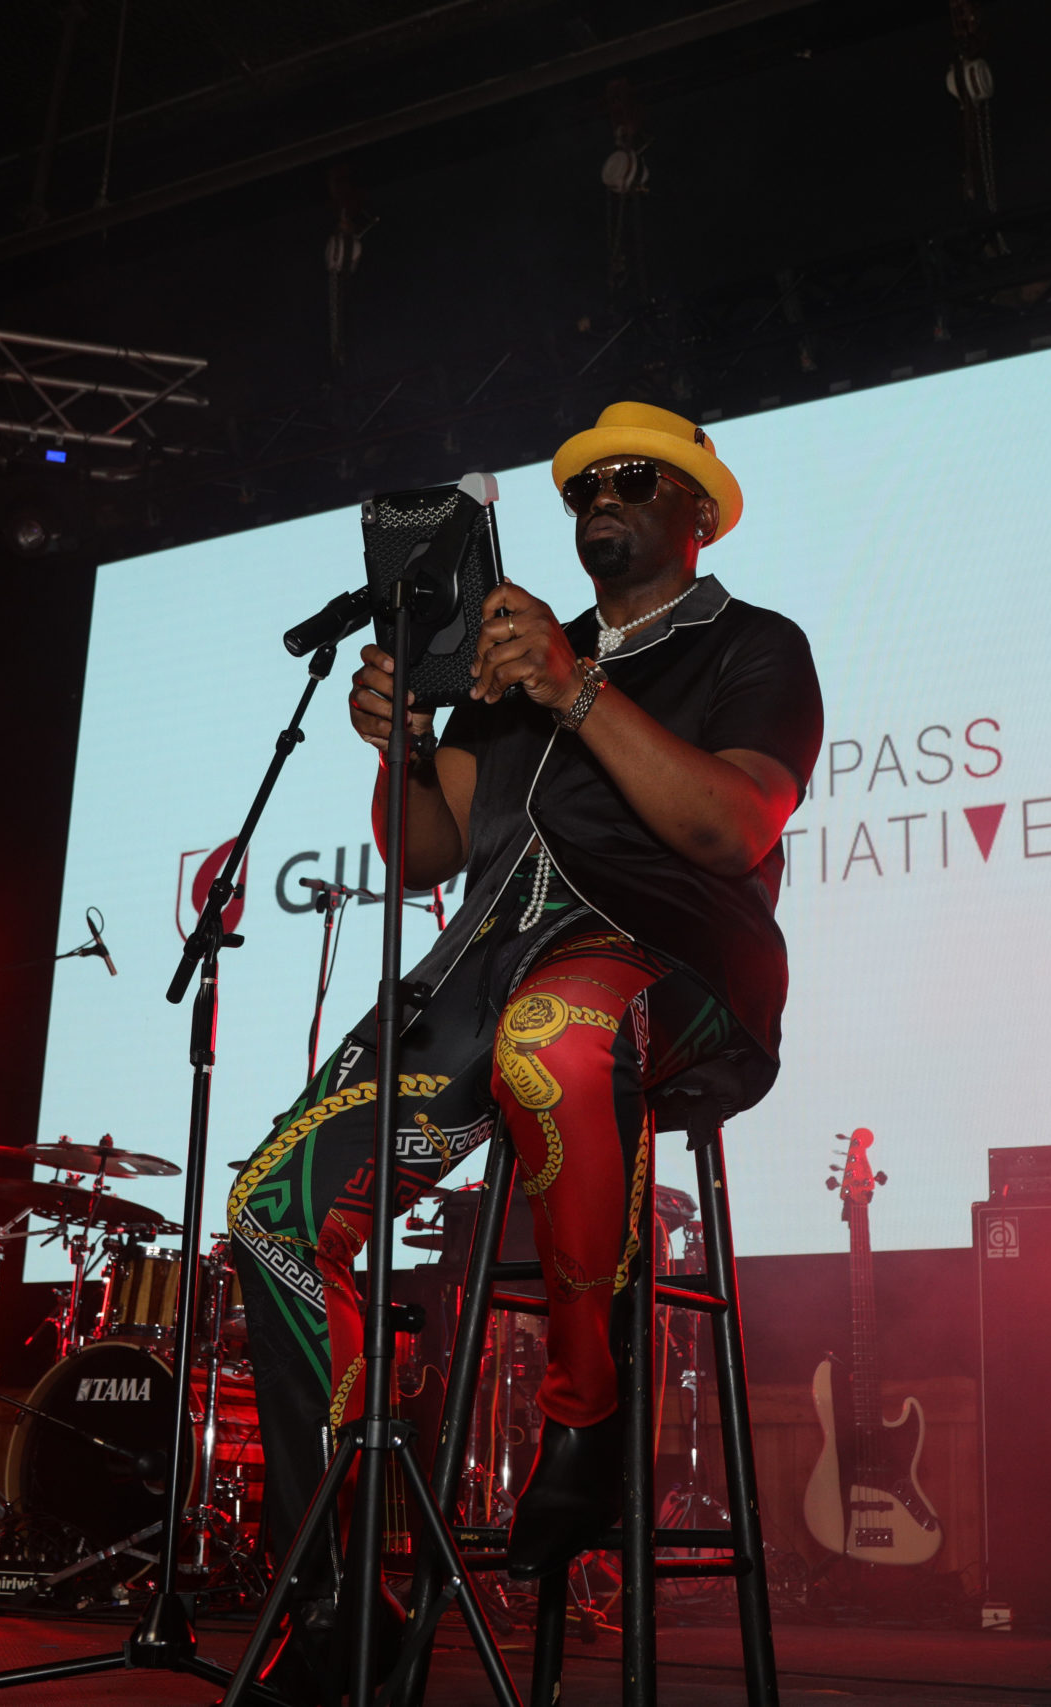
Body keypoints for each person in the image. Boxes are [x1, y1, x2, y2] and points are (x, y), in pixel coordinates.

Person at [228, 401, 823, 1685]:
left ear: (698, 512)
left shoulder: (754, 645)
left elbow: (733, 829)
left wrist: (579, 685)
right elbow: (428, 849)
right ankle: (337, 1601)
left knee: (554, 1038)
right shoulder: (505, 666)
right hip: (482, 979)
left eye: (633, 480)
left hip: (665, 968)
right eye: (582, 485)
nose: (598, 497)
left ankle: (586, 1416)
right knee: (272, 1213)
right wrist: (403, 748)